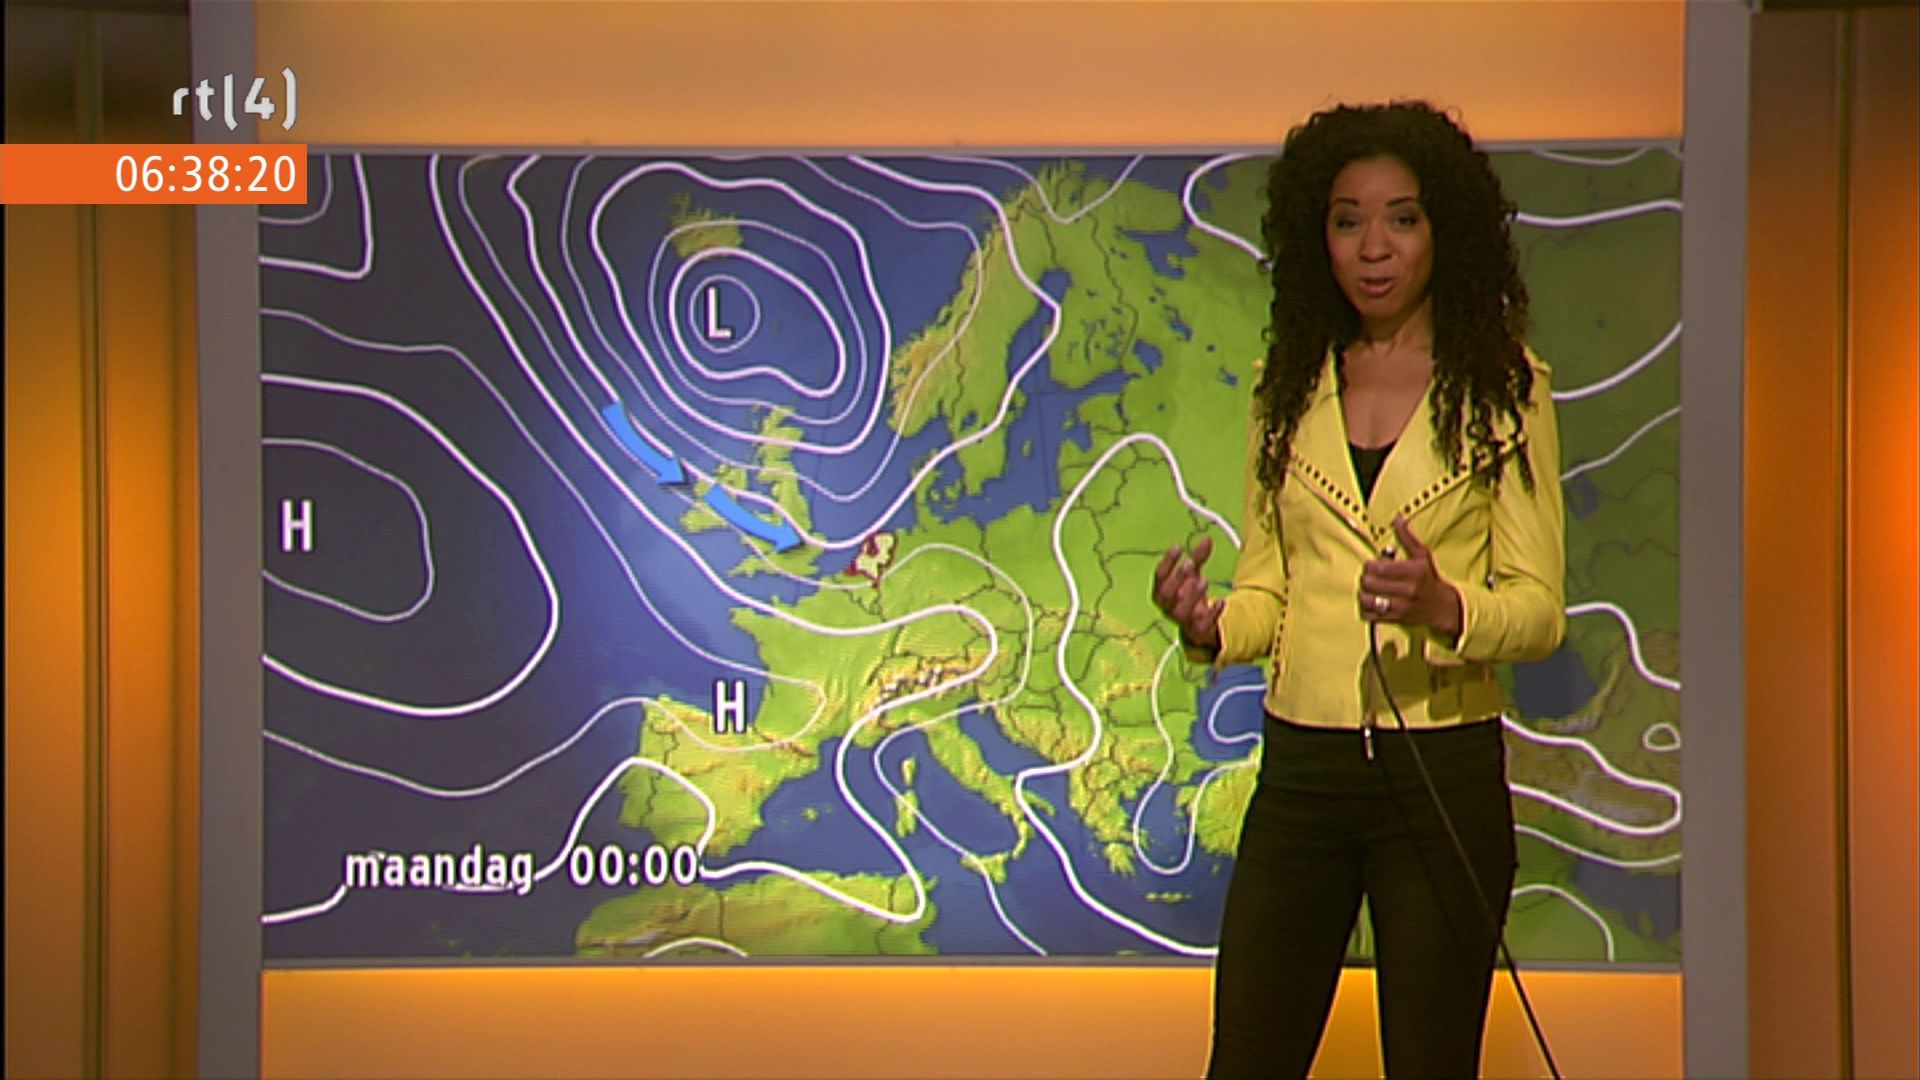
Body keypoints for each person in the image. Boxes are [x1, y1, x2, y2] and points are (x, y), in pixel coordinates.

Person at [1152, 101, 1566, 1078]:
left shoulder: (1504, 389)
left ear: (1442, 230)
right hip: (1302, 774)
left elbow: (1539, 610)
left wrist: (1445, 607)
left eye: (1401, 219)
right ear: (1318, 238)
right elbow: (1271, 594)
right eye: (1348, 221)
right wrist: (1209, 625)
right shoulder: (1286, 388)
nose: (1373, 248)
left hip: (1440, 776)